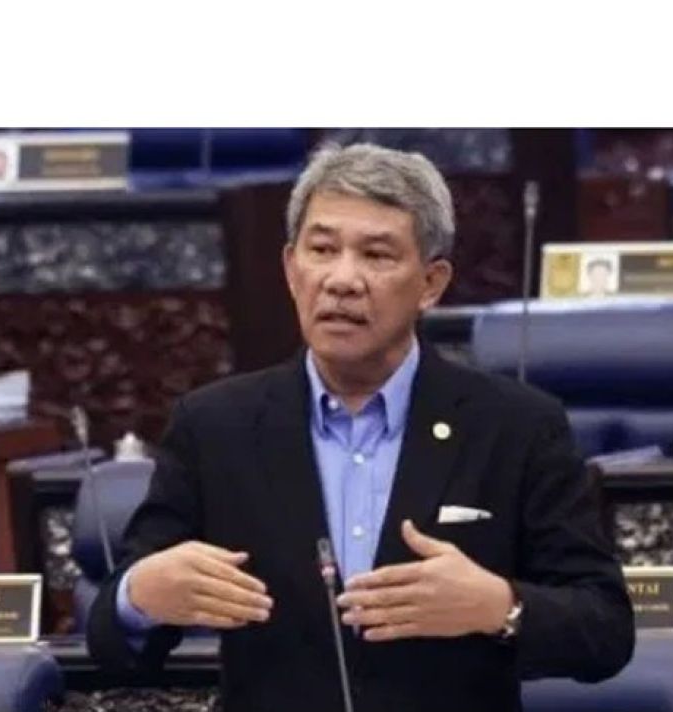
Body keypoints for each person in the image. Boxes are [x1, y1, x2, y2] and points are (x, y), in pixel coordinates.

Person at [87, 143, 634, 712]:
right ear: (291, 269)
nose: (342, 280)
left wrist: (501, 606)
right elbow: (111, 639)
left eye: (376, 255)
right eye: (322, 250)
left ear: (431, 283)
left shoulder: (515, 426)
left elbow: (606, 630)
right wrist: (140, 596)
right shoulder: (215, 426)